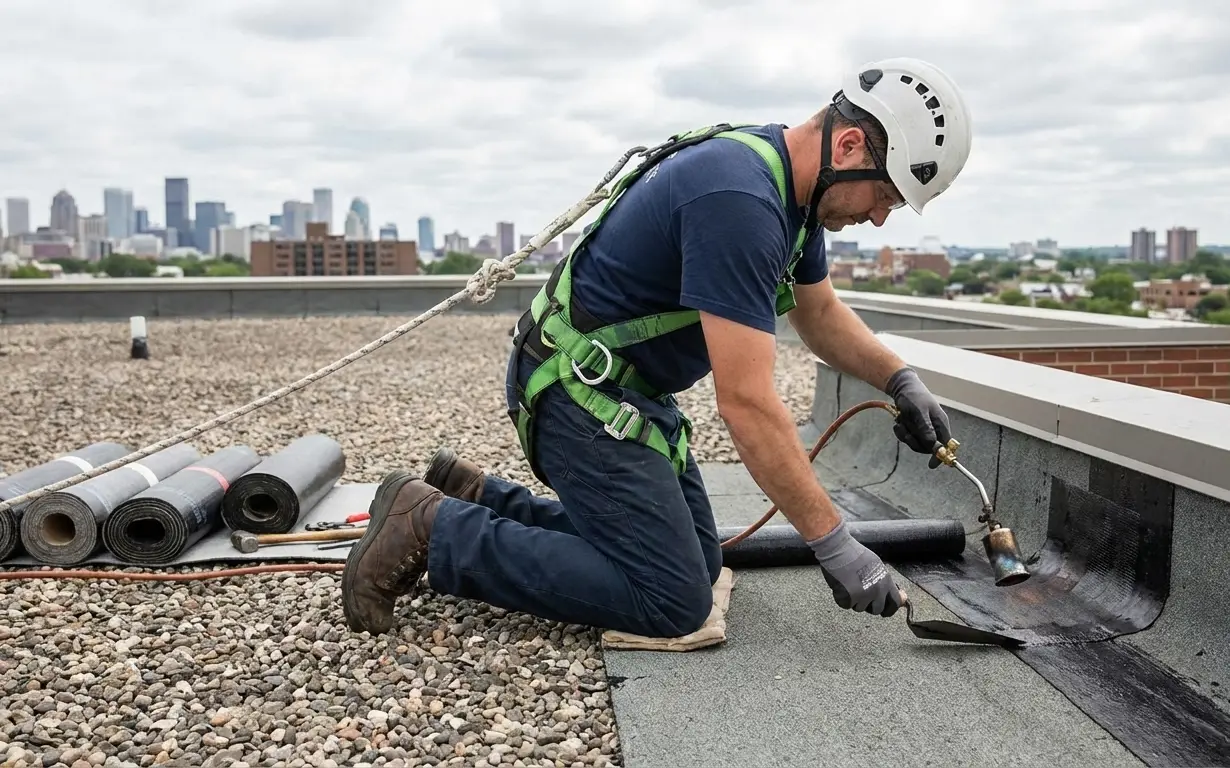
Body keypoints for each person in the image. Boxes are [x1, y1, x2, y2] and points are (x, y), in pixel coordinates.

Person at [341, 57, 972, 637]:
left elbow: (821, 313)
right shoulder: (740, 201)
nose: (881, 217)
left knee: (697, 564)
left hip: (626, 396)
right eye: (884, 195)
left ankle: (477, 498)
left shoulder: (795, 196)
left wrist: (899, 380)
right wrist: (834, 544)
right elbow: (748, 406)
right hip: (578, 393)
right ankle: (431, 527)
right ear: (850, 144)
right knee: (671, 601)